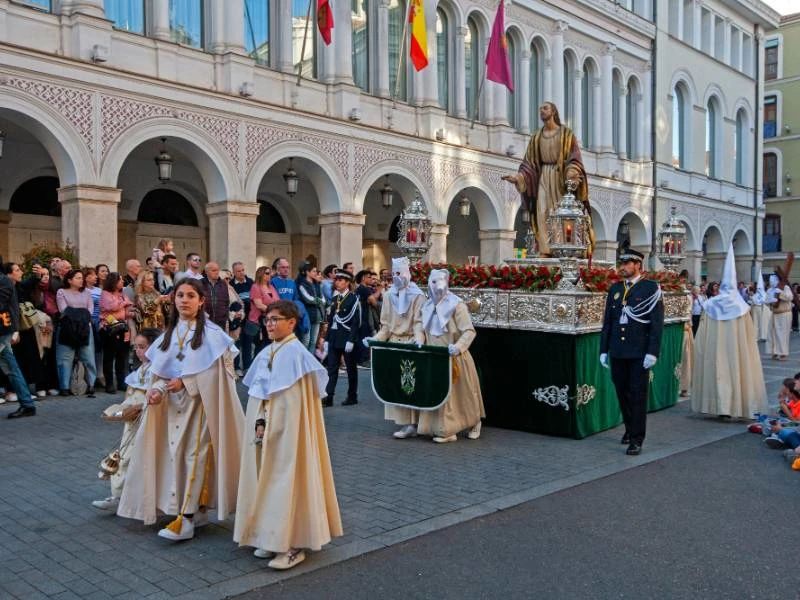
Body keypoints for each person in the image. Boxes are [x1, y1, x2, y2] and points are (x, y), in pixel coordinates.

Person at [117, 279, 244, 541]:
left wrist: (186, 382)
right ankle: (191, 510)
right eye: (180, 295)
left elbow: (216, 375)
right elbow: (161, 370)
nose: (184, 300)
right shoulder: (170, 334)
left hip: (200, 407)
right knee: (173, 455)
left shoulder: (212, 335)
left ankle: (185, 520)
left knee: (192, 457)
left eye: (190, 296)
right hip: (171, 408)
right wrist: (157, 390)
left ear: (201, 301)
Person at [235, 300, 342, 570]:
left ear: (291, 322)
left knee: (287, 482)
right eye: (267, 320)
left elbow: (294, 404)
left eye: (275, 319)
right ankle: (270, 536)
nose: (269, 324)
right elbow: (261, 393)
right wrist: (259, 421)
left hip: (288, 433)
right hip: (266, 428)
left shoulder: (296, 354)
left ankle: (294, 544)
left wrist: (276, 425)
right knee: (264, 480)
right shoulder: (269, 351)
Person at [503, 101, 592, 257]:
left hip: (560, 179)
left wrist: (571, 172)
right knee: (543, 213)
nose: (541, 111)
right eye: (540, 109)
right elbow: (529, 163)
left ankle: (563, 248)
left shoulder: (566, 134)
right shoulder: (536, 137)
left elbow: (574, 158)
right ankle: (546, 250)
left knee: (561, 213)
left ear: (553, 112)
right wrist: (518, 178)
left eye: (545, 108)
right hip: (543, 177)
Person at [599, 246, 664, 456]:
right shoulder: (615, 289)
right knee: (622, 392)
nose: (623, 267)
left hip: (638, 353)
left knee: (637, 395)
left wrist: (652, 352)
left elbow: (656, 324)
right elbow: (608, 322)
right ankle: (629, 428)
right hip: (618, 351)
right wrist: (603, 349)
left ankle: (637, 438)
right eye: (622, 263)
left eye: (627, 263)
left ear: (638, 265)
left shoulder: (650, 288)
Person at [691, 244, 766, 418]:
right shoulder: (741, 307)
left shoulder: (710, 305)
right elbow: (749, 335)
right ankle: (735, 406)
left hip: (715, 348)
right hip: (735, 350)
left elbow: (702, 334)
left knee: (717, 373)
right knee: (735, 373)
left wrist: (701, 350)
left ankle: (718, 406)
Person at [91, 328, 160, 511]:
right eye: (136, 347)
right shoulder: (141, 369)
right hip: (133, 421)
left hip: (147, 421)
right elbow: (132, 394)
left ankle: (127, 496)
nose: (138, 351)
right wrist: (119, 411)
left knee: (131, 458)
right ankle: (119, 495)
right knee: (125, 456)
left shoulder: (158, 369)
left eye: (142, 347)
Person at [416, 269, 485, 443]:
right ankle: (445, 430)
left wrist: (458, 347)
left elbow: (469, 331)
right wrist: (419, 340)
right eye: (432, 282)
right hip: (434, 356)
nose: (436, 287)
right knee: (438, 394)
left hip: (454, 356)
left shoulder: (457, 304)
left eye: (439, 282)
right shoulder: (426, 305)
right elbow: (419, 326)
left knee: (462, 395)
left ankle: (474, 422)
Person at [363, 257, 426, 438]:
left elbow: (419, 322)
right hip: (393, 344)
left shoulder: (418, 296)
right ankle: (405, 423)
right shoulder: (389, 295)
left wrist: (419, 338)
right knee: (397, 385)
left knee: (411, 384)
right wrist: (374, 340)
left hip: (410, 343)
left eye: (400, 273)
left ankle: (416, 421)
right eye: (394, 274)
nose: (397, 277)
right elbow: (386, 326)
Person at [1, 261, 37, 418]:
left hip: (2, 331)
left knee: (11, 367)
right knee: (11, 367)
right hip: (4, 331)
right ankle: (27, 403)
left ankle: (27, 404)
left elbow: (7, 306)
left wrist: (14, 330)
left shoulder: (3, 281)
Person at [55, 269, 97, 397]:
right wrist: (81, 314)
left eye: (81, 278)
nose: (81, 280)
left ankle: (91, 384)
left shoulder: (87, 293)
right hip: (67, 328)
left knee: (88, 356)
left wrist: (79, 315)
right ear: (69, 280)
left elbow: (90, 310)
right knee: (64, 358)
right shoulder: (61, 292)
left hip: (85, 328)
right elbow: (64, 310)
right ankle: (64, 387)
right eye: (78, 278)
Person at [322, 270, 361, 407]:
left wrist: (351, 340)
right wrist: (326, 340)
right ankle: (329, 396)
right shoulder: (335, 299)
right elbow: (331, 320)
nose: (337, 282)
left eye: (340, 280)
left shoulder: (353, 299)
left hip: (347, 338)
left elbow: (356, 322)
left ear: (348, 283)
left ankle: (352, 396)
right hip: (334, 338)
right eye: (336, 280)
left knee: (351, 369)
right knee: (331, 368)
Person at [99, 272, 134, 393]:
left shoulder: (122, 294)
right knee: (109, 356)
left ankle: (121, 382)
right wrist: (124, 303)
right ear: (113, 282)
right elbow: (111, 306)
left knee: (122, 356)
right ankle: (109, 383)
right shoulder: (105, 294)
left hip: (122, 327)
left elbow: (128, 306)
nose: (122, 282)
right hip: (109, 328)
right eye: (120, 280)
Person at [248, 266, 280, 355]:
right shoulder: (255, 287)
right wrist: (273, 310)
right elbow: (259, 305)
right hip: (259, 320)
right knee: (261, 345)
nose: (269, 275)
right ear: (260, 274)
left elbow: (278, 301)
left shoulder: (271, 287)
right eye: (267, 273)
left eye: (270, 273)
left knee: (270, 343)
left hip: (271, 319)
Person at [295, 261, 326, 353]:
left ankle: (310, 364)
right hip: (307, 315)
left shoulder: (317, 284)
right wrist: (318, 301)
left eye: (316, 271)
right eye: (313, 271)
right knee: (306, 341)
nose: (316, 273)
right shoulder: (301, 284)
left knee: (313, 342)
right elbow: (308, 299)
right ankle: (301, 362)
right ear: (307, 272)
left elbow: (323, 300)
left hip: (317, 316)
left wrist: (318, 300)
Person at [231, 262, 254, 373]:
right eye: (238, 271)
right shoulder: (231, 284)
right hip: (237, 319)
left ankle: (247, 367)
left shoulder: (250, 282)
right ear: (234, 272)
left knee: (248, 343)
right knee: (237, 343)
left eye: (243, 270)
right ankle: (236, 368)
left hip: (249, 318)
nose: (241, 273)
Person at [766, 273, 793, 361]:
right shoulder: (770, 290)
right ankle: (774, 351)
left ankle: (783, 353)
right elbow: (766, 300)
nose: (771, 282)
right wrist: (770, 301)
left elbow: (790, 297)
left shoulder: (785, 287)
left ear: (777, 280)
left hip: (784, 313)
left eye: (773, 280)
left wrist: (780, 293)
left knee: (782, 334)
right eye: (770, 281)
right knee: (772, 333)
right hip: (774, 314)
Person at [201, 261, 230, 330]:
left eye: (217, 270)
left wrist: (225, 316)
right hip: (205, 321)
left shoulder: (223, 284)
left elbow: (227, 302)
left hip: (220, 322)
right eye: (213, 270)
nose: (217, 272)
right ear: (206, 272)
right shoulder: (200, 283)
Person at [750, 269, 769, 343]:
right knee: (755, 322)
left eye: (760, 288)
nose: (759, 289)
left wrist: (754, 299)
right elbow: (753, 301)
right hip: (755, 308)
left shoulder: (764, 294)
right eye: (758, 288)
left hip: (762, 308)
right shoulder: (755, 294)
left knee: (762, 322)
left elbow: (763, 301)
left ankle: (762, 335)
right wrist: (752, 298)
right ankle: (756, 336)